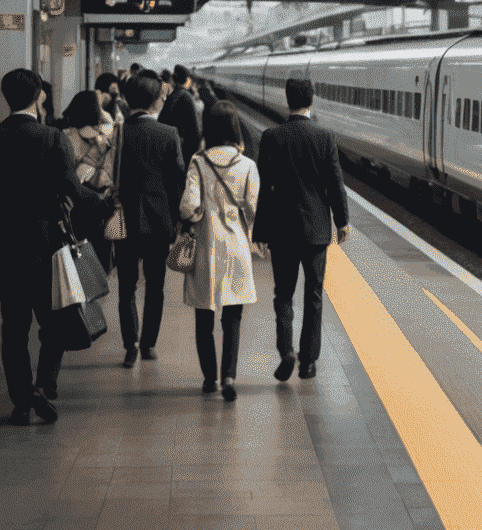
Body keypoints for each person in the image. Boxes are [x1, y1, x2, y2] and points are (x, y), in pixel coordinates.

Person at [0, 69, 105, 423]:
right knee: (54, 322)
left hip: (5, 247)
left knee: (13, 328)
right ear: (39, 97)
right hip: (46, 245)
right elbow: (74, 192)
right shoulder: (51, 138)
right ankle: (44, 386)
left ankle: (21, 398)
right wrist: (102, 205)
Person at [254, 78, 350, 381]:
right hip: (316, 230)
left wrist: (260, 231)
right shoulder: (325, 137)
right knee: (314, 294)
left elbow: (263, 188)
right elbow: (335, 183)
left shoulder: (272, 137)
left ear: (287, 101)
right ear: (312, 101)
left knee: (283, 294)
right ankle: (309, 362)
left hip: (282, 229)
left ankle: (287, 352)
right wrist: (342, 220)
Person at [179, 102, 261, 401]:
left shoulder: (198, 162)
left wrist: (202, 212)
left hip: (205, 246)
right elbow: (253, 209)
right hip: (236, 247)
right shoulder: (248, 165)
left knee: (204, 316)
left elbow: (187, 206)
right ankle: (229, 376)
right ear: (236, 128)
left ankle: (209, 379)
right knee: (233, 317)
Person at [116, 69, 187, 365]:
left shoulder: (118, 133)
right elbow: (178, 181)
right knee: (155, 286)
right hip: (159, 221)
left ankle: (130, 344)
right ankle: (148, 345)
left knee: (126, 285)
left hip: (124, 219)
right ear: (155, 102)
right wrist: (178, 219)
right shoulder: (168, 134)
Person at [62, 90, 117, 274]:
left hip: (76, 196)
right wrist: (98, 108)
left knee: (77, 245)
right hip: (101, 197)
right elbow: (110, 120)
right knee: (100, 243)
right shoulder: (104, 134)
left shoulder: (66, 136)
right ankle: (99, 278)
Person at [159, 64, 202, 166]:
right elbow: (195, 130)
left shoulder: (172, 96)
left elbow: (162, 121)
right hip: (184, 151)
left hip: (171, 148)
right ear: (187, 80)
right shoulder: (187, 96)